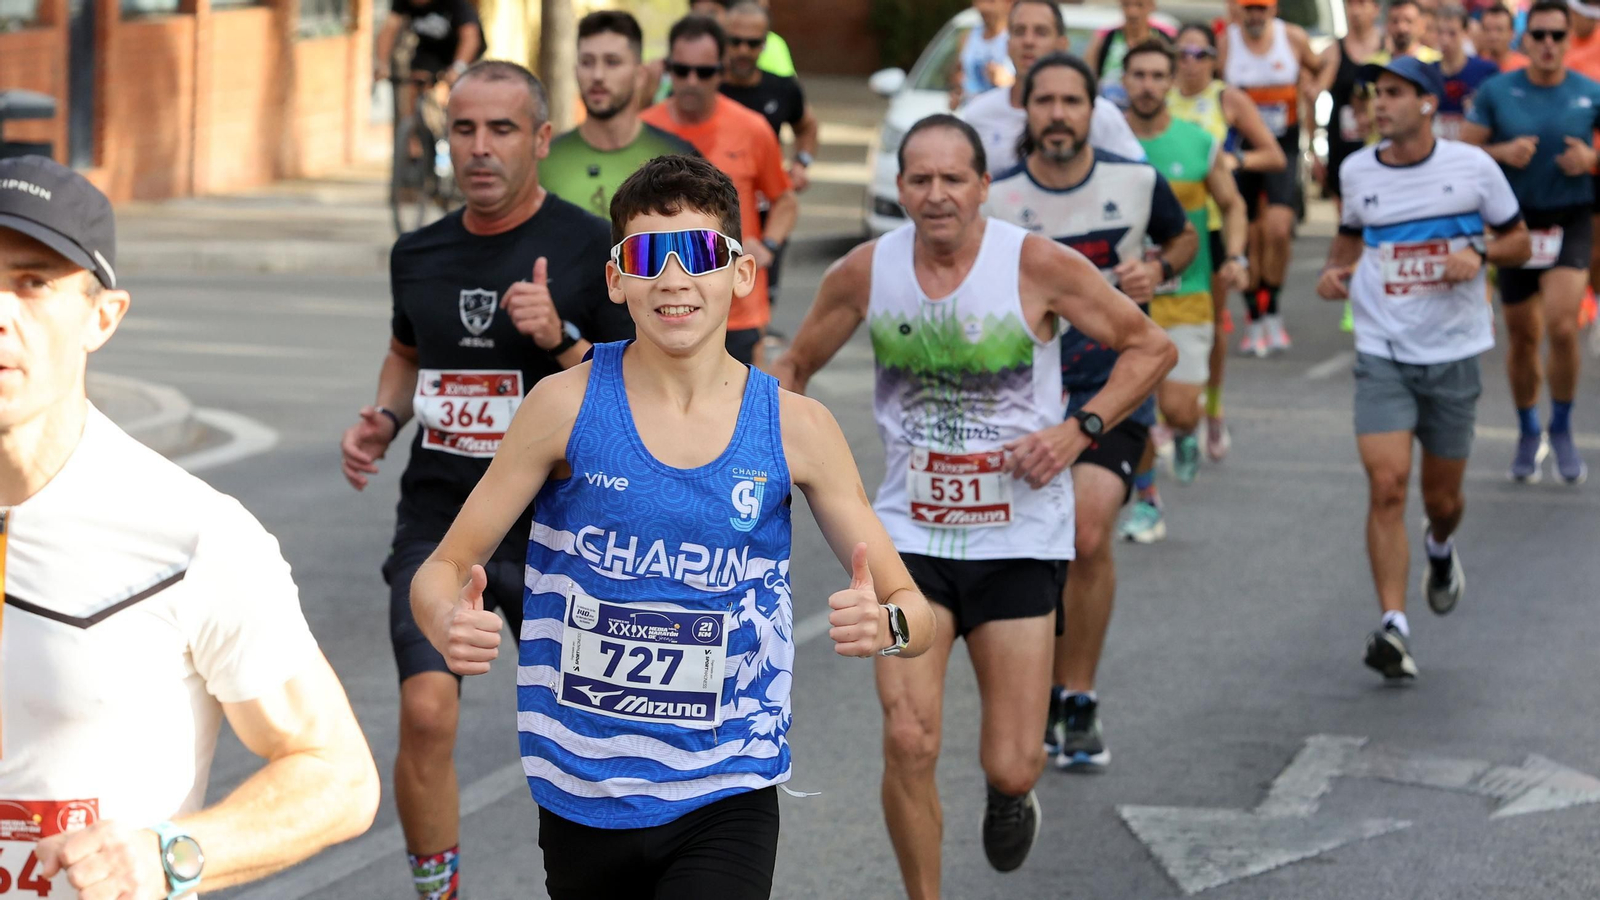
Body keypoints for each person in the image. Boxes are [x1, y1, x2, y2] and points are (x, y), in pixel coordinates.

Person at [410, 153, 938, 899]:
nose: (673, 278)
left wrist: (884, 624)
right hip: (580, 790)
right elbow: (440, 569)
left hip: (727, 790)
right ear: (617, 280)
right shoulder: (563, 407)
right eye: (648, 257)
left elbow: (918, 615)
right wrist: (444, 622)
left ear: (742, 274)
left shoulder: (797, 428)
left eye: (698, 253)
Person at [773, 110, 1173, 897]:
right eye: (920, 178)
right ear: (900, 188)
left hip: (1020, 539)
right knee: (909, 737)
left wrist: (1076, 431)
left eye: (954, 178)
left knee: (1013, 760)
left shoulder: (1037, 265)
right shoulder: (866, 271)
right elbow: (796, 364)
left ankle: (1011, 794)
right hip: (906, 542)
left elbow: (1149, 348)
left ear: (985, 186)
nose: (937, 194)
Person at [0, 155, 381, 898]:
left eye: (32, 283)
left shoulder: (192, 535)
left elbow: (337, 776)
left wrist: (164, 852)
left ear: (101, 317)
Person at [339, 61, 636, 900]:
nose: (479, 148)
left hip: (567, 525)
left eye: (501, 129)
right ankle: (438, 891)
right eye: (463, 129)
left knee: (590, 731)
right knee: (428, 709)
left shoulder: (589, 249)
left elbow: (633, 394)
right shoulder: (418, 252)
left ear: (542, 138)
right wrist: (384, 418)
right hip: (444, 519)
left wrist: (562, 336)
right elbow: (408, 352)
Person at [977, 55, 1189, 774]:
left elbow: (1185, 238)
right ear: (1027, 111)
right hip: (1017, 404)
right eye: (1046, 102)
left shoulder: (1133, 182)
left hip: (1107, 393)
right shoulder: (996, 201)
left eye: (1073, 101)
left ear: (1091, 110)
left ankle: (1080, 694)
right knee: (1033, 553)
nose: (1059, 113)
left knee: (1090, 532)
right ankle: (1035, 691)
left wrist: (1158, 269)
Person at [1315, 57, 1529, 679]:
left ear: (1429, 104)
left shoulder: (1473, 168)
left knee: (1443, 499)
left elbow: (1519, 239)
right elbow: (1350, 241)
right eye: (1376, 94)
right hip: (1382, 348)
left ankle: (1440, 548)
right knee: (1386, 485)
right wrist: (1335, 274)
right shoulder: (1357, 170)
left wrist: (1479, 252)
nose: (1380, 104)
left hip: (1454, 351)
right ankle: (1394, 625)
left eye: (1395, 93)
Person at [1461, 0, 1600, 484]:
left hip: (1570, 217)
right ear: (1525, 39)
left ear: (1568, 40)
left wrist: (1591, 159)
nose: (1547, 45)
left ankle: (1561, 427)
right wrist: (1500, 151)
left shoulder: (1589, 91)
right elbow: (1463, 149)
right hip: (1516, 224)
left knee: (1563, 326)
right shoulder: (1499, 91)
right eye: (1538, 35)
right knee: (1523, 336)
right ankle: (1527, 429)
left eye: (1557, 36)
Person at [1125, 41, 1250, 488]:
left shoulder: (1198, 143)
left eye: (1158, 76)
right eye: (1138, 75)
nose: (1147, 85)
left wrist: (1235, 256)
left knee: (1177, 409)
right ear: (1124, 81)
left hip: (1186, 292)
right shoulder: (1103, 143)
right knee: (1130, 413)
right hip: (1118, 300)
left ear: (1171, 81)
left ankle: (1185, 431)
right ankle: (1145, 499)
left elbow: (1233, 205)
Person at [642, 14, 797, 365]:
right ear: (668, 70)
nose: (692, 81)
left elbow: (784, 199)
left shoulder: (752, 129)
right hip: (664, 305)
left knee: (742, 415)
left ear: (722, 71)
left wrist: (769, 244)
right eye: (681, 71)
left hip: (737, 309)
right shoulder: (644, 130)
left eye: (705, 71)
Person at [1169, 23, 1286, 460]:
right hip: (1163, 228)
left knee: (1209, 325)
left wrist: (1235, 159)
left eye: (1199, 53)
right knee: (1157, 322)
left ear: (1214, 60)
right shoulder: (1157, 97)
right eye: (1182, 53)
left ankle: (1212, 412)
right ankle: (1170, 414)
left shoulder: (1226, 99)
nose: (1190, 62)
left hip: (1213, 225)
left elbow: (1274, 155)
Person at [1219, 0, 1323, 356]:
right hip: (1244, 152)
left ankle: (1273, 310)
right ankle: (1254, 318)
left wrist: (1312, 88)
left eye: (1261, 9)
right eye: (1249, 9)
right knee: (1248, 234)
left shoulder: (1291, 37)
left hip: (1282, 147)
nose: (1255, 16)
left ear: (1273, 10)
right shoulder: (1227, 41)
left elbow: (1320, 66)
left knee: (1278, 229)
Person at [958, 0, 1148, 175]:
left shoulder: (1100, 114)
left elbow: (1140, 176)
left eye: (1041, 32)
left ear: (1062, 44)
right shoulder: (979, 114)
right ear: (1008, 44)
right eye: (1019, 31)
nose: (1028, 41)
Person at [543, 11, 697, 219]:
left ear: (640, 75)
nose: (597, 75)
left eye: (612, 62)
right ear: (575, 70)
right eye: (587, 62)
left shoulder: (677, 158)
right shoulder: (544, 161)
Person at [720, 0, 819, 310]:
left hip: (766, 213)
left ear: (765, 44)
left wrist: (801, 163)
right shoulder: (705, 88)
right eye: (734, 41)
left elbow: (808, 126)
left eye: (753, 43)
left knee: (760, 299)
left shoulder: (782, 88)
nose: (743, 51)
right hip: (715, 209)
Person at [375, 0, 486, 125]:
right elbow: (389, 29)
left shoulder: (456, 4)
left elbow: (470, 37)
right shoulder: (404, 2)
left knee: (459, 93)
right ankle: (413, 134)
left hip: (463, 53)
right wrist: (382, 64)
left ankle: (458, 126)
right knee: (414, 85)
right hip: (430, 51)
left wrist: (458, 68)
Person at [1088, 0, 1175, 109]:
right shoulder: (1105, 38)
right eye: (1126, 5)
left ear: (1152, 6)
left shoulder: (1166, 37)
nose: (1132, 12)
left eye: (1140, 5)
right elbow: (1089, 78)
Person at [1435, 5, 1501, 140]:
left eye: (1452, 33)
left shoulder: (1486, 71)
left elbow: (1499, 114)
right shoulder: (1426, 72)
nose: (1445, 40)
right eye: (1440, 32)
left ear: (1466, 33)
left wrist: (1478, 107)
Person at [956, 0, 1017, 107]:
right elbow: (960, 77)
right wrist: (957, 94)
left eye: (990, 1)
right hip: (971, 115)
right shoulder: (967, 37)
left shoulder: (1017, 38)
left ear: (1008, 3)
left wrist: (1009, 81)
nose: (983, 7)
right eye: (978, 1)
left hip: (1001, 116)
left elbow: (1035, 84)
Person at [1479, 4, 1531, 71]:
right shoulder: (1475, 67)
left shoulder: (1524, 68)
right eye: (1487, 29)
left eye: (1499, 30)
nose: (1493, 36)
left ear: (1512, 34)